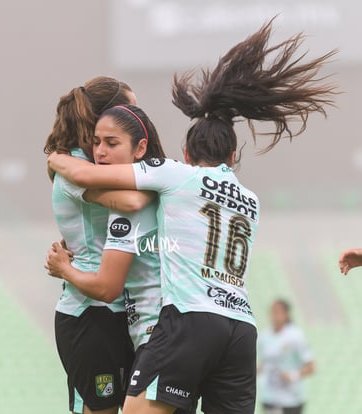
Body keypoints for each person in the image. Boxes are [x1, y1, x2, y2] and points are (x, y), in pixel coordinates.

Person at [47, 20, 336, 414]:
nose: (100, 150)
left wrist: (56, 157)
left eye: (110, 142)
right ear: (233, 157)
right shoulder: (249, 199)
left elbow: (90, 179)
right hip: (240, 326)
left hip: (187, 320)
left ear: (183, 152)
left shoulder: (174, 177)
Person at [44, 77, 151, 414]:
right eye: (129, 108)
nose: (137, 116)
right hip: (89, 312)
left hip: (119, 311)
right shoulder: (77, 165)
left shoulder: (93, 162)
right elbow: (132, 201)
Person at [258, 300, 315, 414]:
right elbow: (264, 363)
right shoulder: (264, 336)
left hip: (291, 399)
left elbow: (311, 366)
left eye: (277, 312)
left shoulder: (296, 336)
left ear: (286, 314)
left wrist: (293, 375)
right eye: (272, 312)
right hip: (269, 397)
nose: (274, 315)